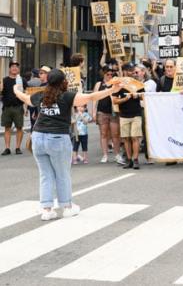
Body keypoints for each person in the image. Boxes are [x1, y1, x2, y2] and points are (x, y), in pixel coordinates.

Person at [13, 69, 122, 220]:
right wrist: (111, 90)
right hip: (58, 138)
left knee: (45, 175)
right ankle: (67, 207)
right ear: (64, 81)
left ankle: (46, 209)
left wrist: (15, 89)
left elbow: (24, 98)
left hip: (38, 136)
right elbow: (91, 97)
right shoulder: (67, 96)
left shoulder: (41, 95)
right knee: (62, 174)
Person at [112, 63, 144, 170]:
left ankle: (135, 159)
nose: (132, 73)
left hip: (136, 114)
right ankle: (129, 159)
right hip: (124, 115)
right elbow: (114, 100)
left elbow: (144, 97)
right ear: (124, 71)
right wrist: (125, 99)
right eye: (129, 70)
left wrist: (138, 95)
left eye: (133, 71)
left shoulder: (137, 83)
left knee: (135, 137)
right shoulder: (119, 84)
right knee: (126, 138)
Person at [92, 67, 125, 164]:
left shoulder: (115, 84)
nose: (110, 76)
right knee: (103, 133)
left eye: (111, 74)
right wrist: (93, 111)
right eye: (108, 74)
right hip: (102, 111)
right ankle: (105, 154)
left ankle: (117, 154)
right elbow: (95, 98)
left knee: (115, 134)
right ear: (104, 75)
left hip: (113, 111)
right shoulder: (99, 84)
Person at [1, 61, 27, 155]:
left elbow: (26, 93)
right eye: (12, 66)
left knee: (19, 128)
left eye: (16, 66)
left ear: (18, 69)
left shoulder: (22, 80)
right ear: (9, 69)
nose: (14, 68)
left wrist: (26, 108)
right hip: (7, 107)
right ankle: (7, 148)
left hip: (18, 107)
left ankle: (17, 147)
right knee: (7, 128)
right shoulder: (4, 80)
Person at [135, 63, 156, 163]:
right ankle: (131, 157)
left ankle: (149, 155)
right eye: (134, 72)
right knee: (133, 134)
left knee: (146, 133)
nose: (135, 74)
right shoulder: (134, 82)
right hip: (134, 109)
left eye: (137, 72)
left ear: (143, 72)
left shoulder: (150, 82)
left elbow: (143, 93)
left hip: (145, 109)